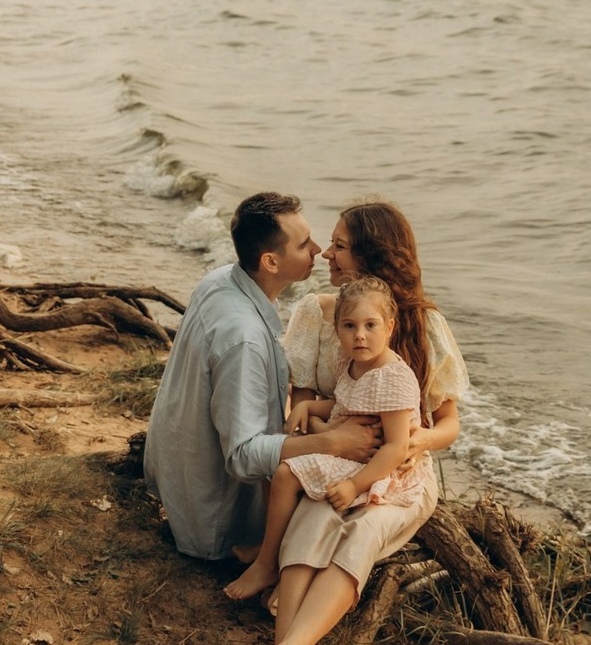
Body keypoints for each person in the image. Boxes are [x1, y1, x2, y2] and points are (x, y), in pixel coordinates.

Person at [271, 198, 470, 645]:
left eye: (340, 246)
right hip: (330, 456)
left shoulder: (422, 324)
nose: (326, 254)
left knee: (363, 530)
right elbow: (304, 406)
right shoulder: (315, 313)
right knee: (313, 521)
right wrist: (335, 439)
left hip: (398, 473)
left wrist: (412, 442)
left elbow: (448, 424)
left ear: (372, 256)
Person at [143, 191, 380, 562]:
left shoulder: (221, 279)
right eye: (303, 245)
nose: (318, 250)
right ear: (270, 261)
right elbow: (242, 456)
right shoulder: (244, 339)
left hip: (180, 474)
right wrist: (333, 442)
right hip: (217, 517)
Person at [223, 276, 432, 603]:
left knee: (285, 473)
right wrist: (307, 405)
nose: (359, 335)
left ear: (389, 328)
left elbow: (395, 447)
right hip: (351, 451)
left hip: (372, 465)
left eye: (370, 325)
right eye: (349, 326)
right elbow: (343, 404)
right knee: (276, 463)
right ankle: (269, 549)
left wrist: (354, 486)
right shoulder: (353, 364)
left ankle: (267, 564)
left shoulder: (392, 376)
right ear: (337, 330)